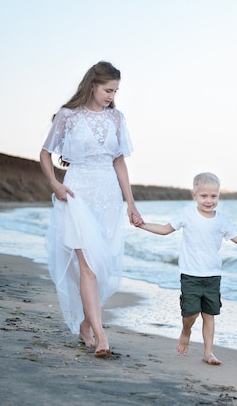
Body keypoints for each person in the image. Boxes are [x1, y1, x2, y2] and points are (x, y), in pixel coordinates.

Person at [40, 61, 141, 357]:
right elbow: (45, 153)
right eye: (108, 89)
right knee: (88, 267)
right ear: (92, 85)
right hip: (77, 193)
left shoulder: (117, 118)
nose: (112, 95)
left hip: (109, 196)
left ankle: (86, 324)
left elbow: (119, 161)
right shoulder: (67, 116)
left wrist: (130, 203)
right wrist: (55, 185)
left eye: (115, 90)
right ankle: (100, 335)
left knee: (103, 266)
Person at [133, 172, 237, 365]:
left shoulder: (221, 220)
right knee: (191, 313)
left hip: (213, 276)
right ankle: (186, 332)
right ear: (194, 195)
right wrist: (142, 225)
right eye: (204, 196)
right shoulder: (187, 214)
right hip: (191, 275)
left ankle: (208, 353)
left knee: (209, 315)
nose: (209, 200)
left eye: (214, 196)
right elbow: (164, 230)